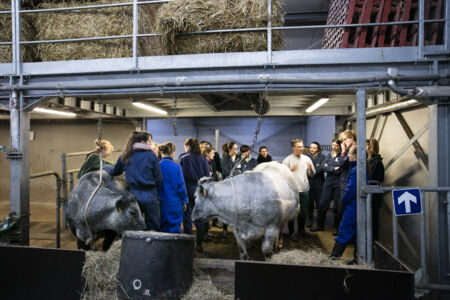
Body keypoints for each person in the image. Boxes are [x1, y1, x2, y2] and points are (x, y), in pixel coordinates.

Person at [108, 131, 162, 231]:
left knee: (134, 226)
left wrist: (105, 167)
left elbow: (113, 172)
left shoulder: (125, 156)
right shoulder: (152, 156)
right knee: (154, 226)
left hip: (133, 196)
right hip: (151, 195)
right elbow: (159, 179)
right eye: (149, 142)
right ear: (142, 142)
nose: (151, 144)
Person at [77, 139, 116, 251]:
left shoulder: (93, 156)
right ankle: (83, 245)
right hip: (86, 187)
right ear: (104, 149)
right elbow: (104, 165)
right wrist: (116, 164)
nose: (109, 153)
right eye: (109, 150)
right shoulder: (95, 157)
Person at [330, 145, 361, 262]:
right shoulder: (358, 168)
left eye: (350, 154)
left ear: (355, 155)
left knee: (344, 231)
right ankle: (357, 260)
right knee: (358, 233)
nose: (348, 156)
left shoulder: (355, 170)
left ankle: (333, 259)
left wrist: (343, 200)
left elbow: (351, 190)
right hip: (358, 205)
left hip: (353, 206)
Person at [179, 138, 210, 252]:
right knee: (200, 218)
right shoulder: (203, 159)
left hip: (187, 189)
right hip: (200, 190)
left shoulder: (183, 158)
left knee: (187, 218)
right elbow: (207, 176)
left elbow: (180, 177)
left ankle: (188, 246)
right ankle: (199, 245)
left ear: (188, 147)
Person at [282, 139, 315, 239]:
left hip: (304, 190)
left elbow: (313, 174)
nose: (301, 148)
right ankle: (291, 233)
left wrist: (310, 169)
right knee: (292, 213)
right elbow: (282, 176)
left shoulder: (307, 159)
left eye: (302, 146)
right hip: (292, 191)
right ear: (293, 148)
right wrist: (289, 170)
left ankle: (301, 230)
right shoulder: (287, 160)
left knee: (303, 212)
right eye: (299, 147)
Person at [311, 139, 343, 235]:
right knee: (321, 204)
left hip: (338, 184)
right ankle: (320, 226)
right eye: (333, 145)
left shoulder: (342, 156)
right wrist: (333, 168)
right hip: (328, 183)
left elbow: (340, 169)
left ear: (340, 146)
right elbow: (323, 167)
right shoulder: (329, 155)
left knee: (336, 207)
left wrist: (329, 166)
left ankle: (335, 227)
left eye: (336, 145)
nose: (334, 147)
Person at [157, 142, 188, 234]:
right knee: (175, 228)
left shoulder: (157, 166)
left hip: (161, 202)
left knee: (162, 227)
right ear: (173, 152)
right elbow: (181, 185)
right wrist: (185, 200)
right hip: (175, 203)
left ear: (161, 153)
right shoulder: (177, 167)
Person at [337, 130, 357, 226]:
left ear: (352, 138)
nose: (343, 143)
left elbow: (341, 163)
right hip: (345, 182)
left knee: (344, 209)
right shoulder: (350, 150)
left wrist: (343, 151)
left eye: (345, 139)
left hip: (350, 184)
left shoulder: (354, 150)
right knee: (341, 209)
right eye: (342, 141)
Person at [366, 138, 385, 241]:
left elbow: (372, 177)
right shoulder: (369, 161)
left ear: (369, 148)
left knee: (373, 220)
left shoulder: (376, 162)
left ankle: (372, 245)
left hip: (374, 196)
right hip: (370, 195)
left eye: (365, 147)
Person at [306, 141, 325, 229]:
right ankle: (310, 221)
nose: (312, 149)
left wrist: (311, 170)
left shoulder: (322, 157)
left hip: (319, 183)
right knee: (309, 204)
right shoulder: (306, 157)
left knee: (319, 204)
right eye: (311, 147)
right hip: (309, 183)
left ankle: (319, 223)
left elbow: (320, 169)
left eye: (314, 148)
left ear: (318, 149)